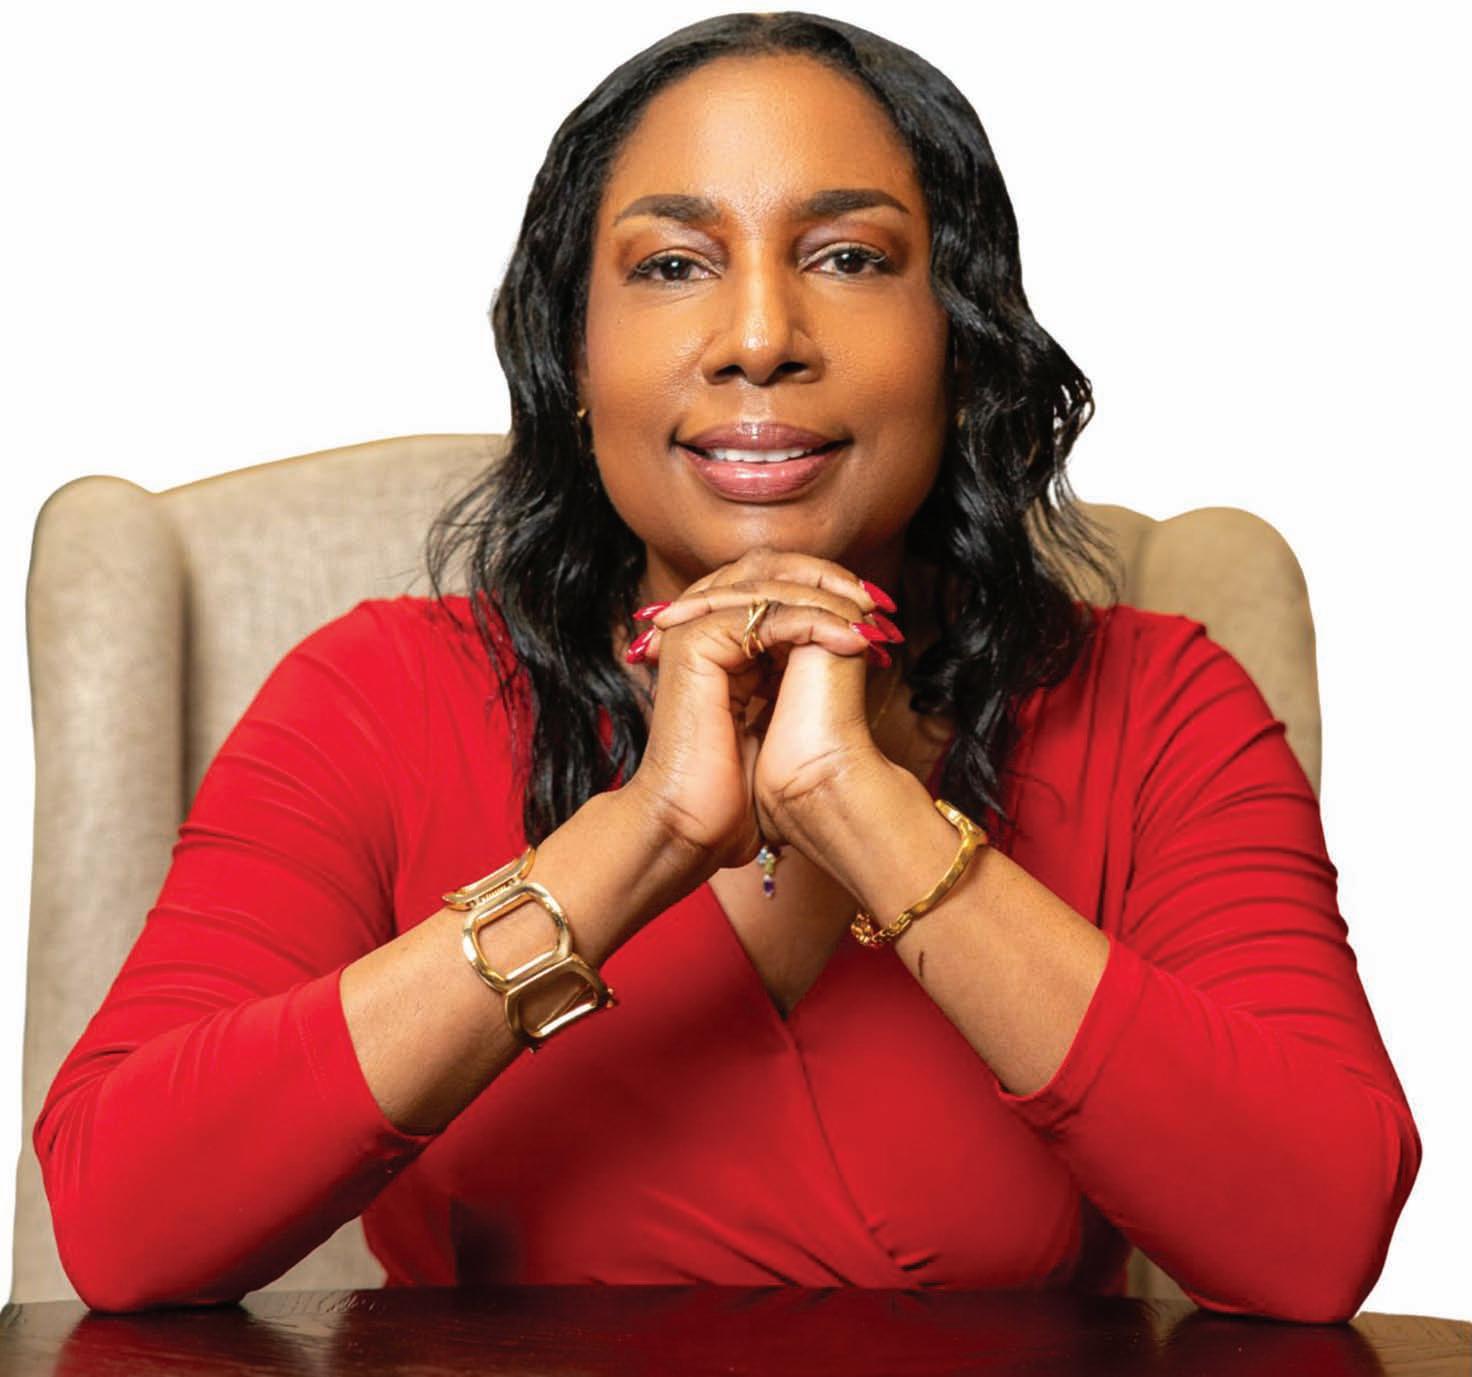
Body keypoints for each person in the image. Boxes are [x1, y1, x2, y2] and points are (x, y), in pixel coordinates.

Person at [33, 12, 1419, 1320]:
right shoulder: (379, 693)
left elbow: (1312, 1240)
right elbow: (122, 1220)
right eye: (672, 266)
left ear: (965, 343)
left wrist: (862, 812)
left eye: (851, 258)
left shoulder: (1155, 702)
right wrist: (644, 835)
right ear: (574, 352)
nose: (760, 338)